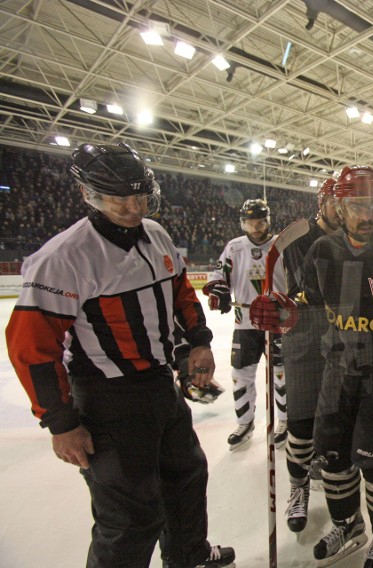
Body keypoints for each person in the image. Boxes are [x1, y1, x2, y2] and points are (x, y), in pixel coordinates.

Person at [5, 142, 235, 568]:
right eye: (119, 198)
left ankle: (189, 558)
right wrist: (61, 420)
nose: (133, 207)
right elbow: (30, 345)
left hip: (160, 389)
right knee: (129, 517)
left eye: (140, 196)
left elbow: (179, 297)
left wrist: (195, 344)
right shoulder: (63, 257)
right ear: (87, 194)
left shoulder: (158, 235)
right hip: (107, 400)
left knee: (185, 480)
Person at [251, 165, 373, 567]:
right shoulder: (324, 250)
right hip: (336, 375)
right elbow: (309, 299)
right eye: (356, 206)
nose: (366, 215)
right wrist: (285, 309)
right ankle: (349, 524)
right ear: (339, 205)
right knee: (332, 459)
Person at [275, 177, 340, 533]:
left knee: (333, 417)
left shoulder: (352, 238)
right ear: (322, 203)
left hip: (344, 339)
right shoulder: (298, 237)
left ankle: (329, 478)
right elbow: (296, 289)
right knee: (300, 423)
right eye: (335, 202)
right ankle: (297, 488)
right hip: (305, 338)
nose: (341, 210)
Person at [203, 198, 288, 450]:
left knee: (282, 375)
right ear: (243, 223)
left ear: (268, 221)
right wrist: (219, 291)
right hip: (245, 323)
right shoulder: (234, 247)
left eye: (260, 222)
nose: (256, 227)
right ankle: (245, 422)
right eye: (251, 223)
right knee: (241, 375)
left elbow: (296, 278)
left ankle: (284, 420)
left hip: (277, 322)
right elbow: (219, 275)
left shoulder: (281, 244)